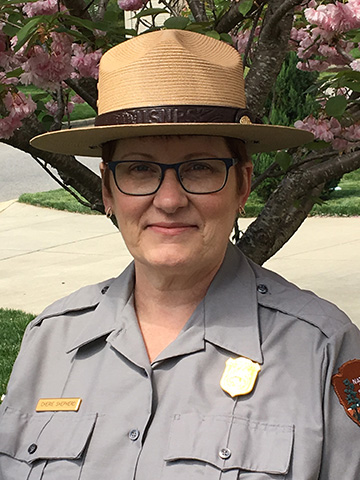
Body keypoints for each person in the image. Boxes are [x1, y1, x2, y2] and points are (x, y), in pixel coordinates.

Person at [0, 29, 359, 480]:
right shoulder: (50, 341)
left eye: (200, 168)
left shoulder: (323, 349)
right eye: (140, 169)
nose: (169, 200)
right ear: (108, 189)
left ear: (243, 185)